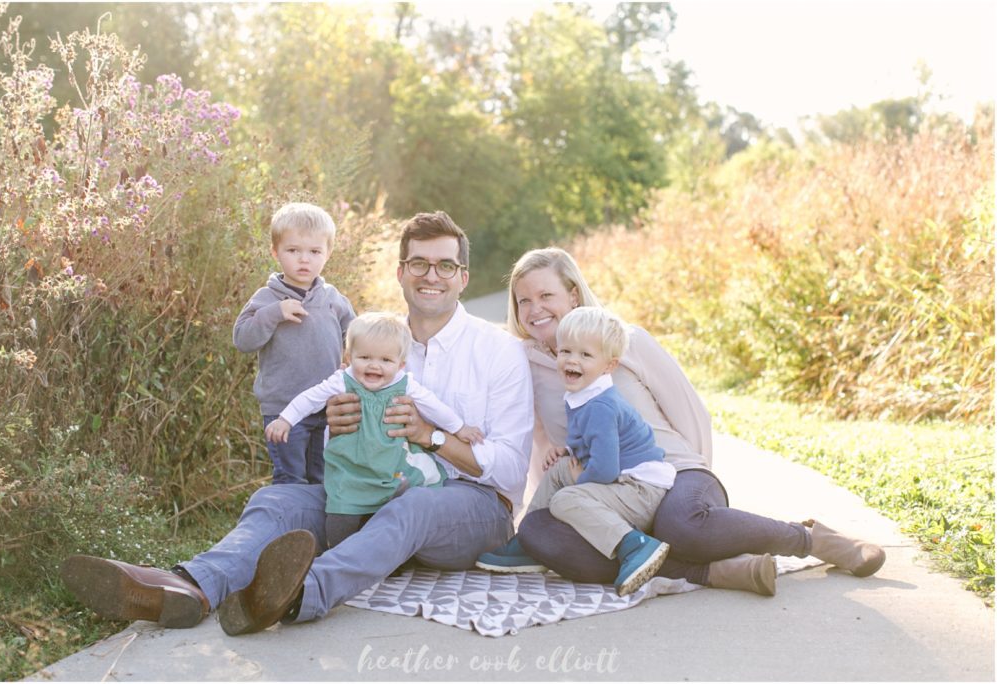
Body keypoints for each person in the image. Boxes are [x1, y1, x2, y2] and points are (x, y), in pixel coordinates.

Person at [61, 210, 534, 636]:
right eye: (419, 264)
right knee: (280, 498)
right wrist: (338, 424)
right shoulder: (372, 341)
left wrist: (430, 436)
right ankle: (190, 587)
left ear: (463, 276)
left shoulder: (498, 351)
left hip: (470, 507)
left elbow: (510, 471)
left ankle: (298, 594)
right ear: (400, 272)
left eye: (445, 265)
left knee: (413, 510)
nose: (431, 276)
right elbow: (336, 442)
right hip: (371, 488)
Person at [505, 247, 886, 597]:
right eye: (524, 300)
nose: (534, 308)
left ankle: (810, 539)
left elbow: (689, 412)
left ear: (572, 294)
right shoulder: (529, 366)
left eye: (545, 296)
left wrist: (689, 485)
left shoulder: (627, 342)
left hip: (672, 476)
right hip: (605, 493)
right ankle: (719, 571)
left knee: (681, 526)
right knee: (539, 532)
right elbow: (544, 443)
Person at [477, 306, 676, 596]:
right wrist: (567, 450)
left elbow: (605, 470)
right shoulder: (583, 395)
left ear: (609, 366)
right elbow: (596, 441)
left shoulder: (600, 407)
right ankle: (526, 544)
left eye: (585, 355)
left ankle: (633, 544)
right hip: (623, 481)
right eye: (566, 351)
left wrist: (580, 483)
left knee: (565, 499)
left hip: (639, 490)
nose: (572, 360)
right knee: (561, 470)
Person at [265, 311, 485, 548]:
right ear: (349, 357)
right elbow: (310, 399)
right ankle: (337, 554)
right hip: (349, 470)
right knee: (340, 523)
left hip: (388, 469)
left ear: (400, 364)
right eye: (365, 357)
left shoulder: (405, 384)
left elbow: (434, 407)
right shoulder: (342, 380)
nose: (374, 365)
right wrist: (285, 419)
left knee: (388, 520)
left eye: (385, 360)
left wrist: (459, 428)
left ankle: (387, 558)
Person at [233, 202, 355, 485]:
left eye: (314, 252)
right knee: (291, 478)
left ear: (328, 254)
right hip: (284, 409)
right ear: (275, 252)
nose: (304, 260)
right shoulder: (267, 298)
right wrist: (275, 314)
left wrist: (352, 356)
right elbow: (242, 339)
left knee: (322, 477)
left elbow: (355, 333)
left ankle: (317, 528)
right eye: (293, 250)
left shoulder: (332, 298)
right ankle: (289, 525)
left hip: (327, 406)